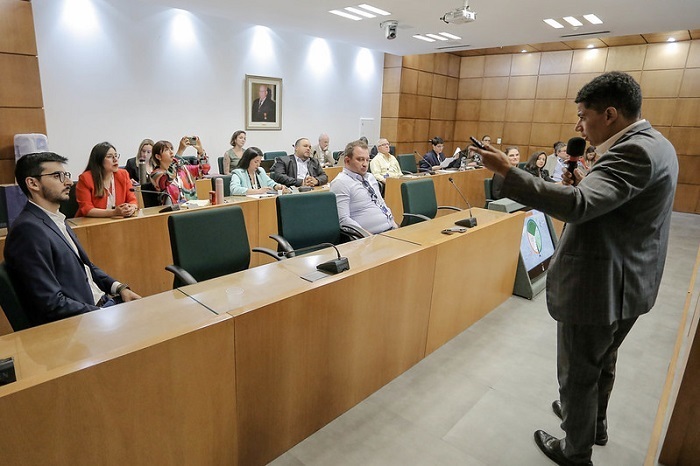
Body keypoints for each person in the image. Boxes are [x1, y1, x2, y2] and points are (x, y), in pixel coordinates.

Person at [470, 71, 678, 466]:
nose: (579, 125)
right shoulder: (657, 144)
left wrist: (507, 172)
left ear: (611, 114)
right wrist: (584, 180)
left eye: (584, 115)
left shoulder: (633, 151)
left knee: (578, 374)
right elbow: (617, 204)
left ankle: (575, 450)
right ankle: (593, 424)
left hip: (601, 286)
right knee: (603, 358)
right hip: (631, 282)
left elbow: (579, 207)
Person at [5, 152, 142, 326]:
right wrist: (105, 314)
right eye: (57, 176)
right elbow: (51, 304)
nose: (69, 182)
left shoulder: (55, 219)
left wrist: (119, 288)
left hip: (100, 307)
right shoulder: (27, 231)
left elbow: (85, 267)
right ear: (33, 183)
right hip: (82, 323)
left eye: (66, 175)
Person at [330, 140, 397, 235]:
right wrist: (368, 236)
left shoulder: (370, 177)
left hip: (390, 231)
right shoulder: (340, 183)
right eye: (360, 159)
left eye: (367, 159)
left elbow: (381, 203)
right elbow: (344, 221)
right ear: (347, 161)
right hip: (369, 237)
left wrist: (394, 225)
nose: (365, 164)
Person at [75, 142, 138, 218]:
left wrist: (132, 208)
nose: (115, 160)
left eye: (116, 156)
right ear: (99, 161)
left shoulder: (123, 174)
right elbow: (87, 209)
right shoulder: (86, 178)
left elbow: (132, 200)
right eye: (110, 156)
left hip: (116, 221)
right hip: (90, 223)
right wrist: (114, 212)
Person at [150, 136, 209, 204]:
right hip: (172, 211)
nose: (171, 152)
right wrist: (180, 151)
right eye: (166, 150)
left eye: (171, 149)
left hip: (192, 207)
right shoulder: (155, 174)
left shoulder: (183, 169)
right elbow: (169, 177)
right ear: (158, 156)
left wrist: (200, 151)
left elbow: (204, 170)